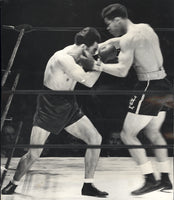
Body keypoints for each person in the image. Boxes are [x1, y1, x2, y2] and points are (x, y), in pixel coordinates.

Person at [2, 27, 108, 198]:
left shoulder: (79, 52)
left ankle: (88, 185)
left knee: (95, 139)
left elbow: (102, 47)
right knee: (34, 153)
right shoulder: (63, 58)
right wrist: (101, 66)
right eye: (93, 50)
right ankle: (13, 183)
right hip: (49, 105)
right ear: (83, 47)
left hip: (68, 103)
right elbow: (88, 82)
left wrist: (109, 48)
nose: (95, 53)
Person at [94, 3, 173, 196]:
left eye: (109, 24)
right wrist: (110, 43)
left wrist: (97, 66)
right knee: (154, 132)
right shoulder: (145, 28)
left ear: (117, 20)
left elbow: (121, 71)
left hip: (148, 87)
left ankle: (150, 179)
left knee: (127, 135)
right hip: (164, 84)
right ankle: (165, 179)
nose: (108, 28)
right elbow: (124, 40)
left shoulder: (129, 39)